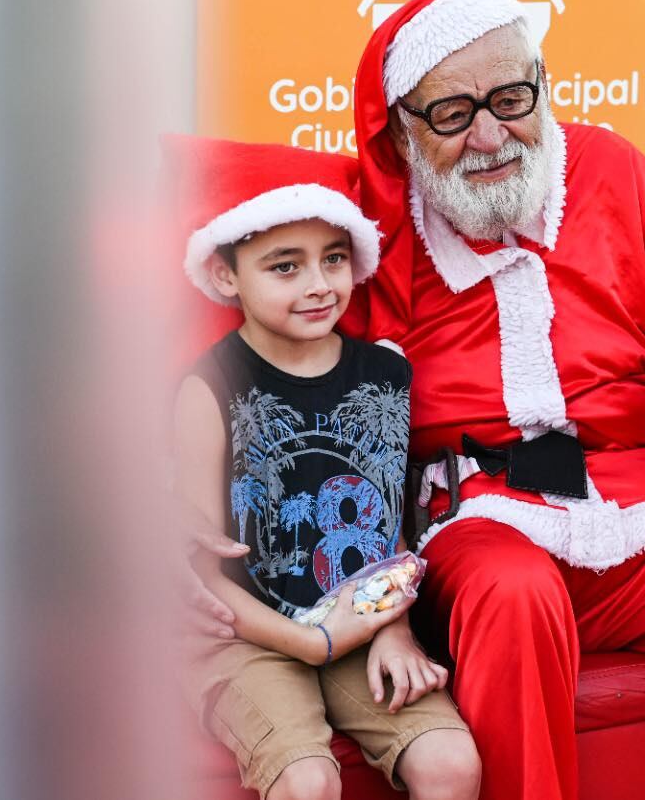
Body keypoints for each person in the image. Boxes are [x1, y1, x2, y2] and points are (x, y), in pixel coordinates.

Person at [192, 0, 645, 800]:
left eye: (511, 98)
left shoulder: (611, 171)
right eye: (453, 114)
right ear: (404, 130)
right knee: (511, 590)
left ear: (543, 86)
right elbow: (241, 272)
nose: (492, 134)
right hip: (478, 510)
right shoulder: (367, 234)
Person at [169, 136, 481, 800]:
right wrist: (310, 644)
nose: (318, 286)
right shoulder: (210, 387)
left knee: (453, 763)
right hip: (243, 633)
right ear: (227, 275)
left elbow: (386, 531)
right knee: (307, 780)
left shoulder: (384, 375)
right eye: (285, 267)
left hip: (359, 620)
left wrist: (393, 628)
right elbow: (199, 567)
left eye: (333, 260)